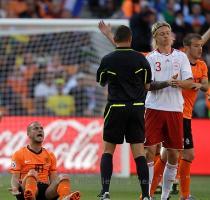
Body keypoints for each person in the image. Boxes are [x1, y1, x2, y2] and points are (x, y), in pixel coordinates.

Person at [98, 21, 193, 200]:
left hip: (174, 109)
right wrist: (109, 36)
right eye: (162, 33)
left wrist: (178, 83)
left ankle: (164, 197)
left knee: (173, 154)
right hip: (152, 108)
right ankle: (146, 195)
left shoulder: (181, 57)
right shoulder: (149, 58)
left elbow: (189, 81)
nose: (166, 36)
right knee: (147, 151)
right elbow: (126, 56)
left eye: (168, 32)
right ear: (155, 37)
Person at [150, 33, 209, 200]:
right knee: (183, 155)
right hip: (175, 113)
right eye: (196, 46)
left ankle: (148, 194)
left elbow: (204, 85)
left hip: (186, 115)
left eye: (201, 46)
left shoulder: (202, 65)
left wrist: (197, 85)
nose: (200, 48)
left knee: (167, 156)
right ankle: (183, 195)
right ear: (187, 48)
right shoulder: (178, 62)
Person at [96, 25, 152, 200]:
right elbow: (148, 85)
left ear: (116, 39)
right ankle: (146, 195)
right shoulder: (141, 60)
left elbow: (101, 81)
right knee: (139, 153)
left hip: (116, 107)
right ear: (131, 38)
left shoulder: (107, 59)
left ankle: (105, 191)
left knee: (108, 150)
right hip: (136, 107)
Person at [9, 121, 80, 200]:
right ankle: (30, 195)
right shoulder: (19, 154)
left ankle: (65, 197)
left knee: (64, 177)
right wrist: (14, 188)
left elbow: (53, 180)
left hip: (45, 191)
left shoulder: (50, 155)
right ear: (28, 134)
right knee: (32, 173)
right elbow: (15, 177)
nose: (40, 130)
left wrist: (58, 187)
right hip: (25, 189)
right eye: (36, 128)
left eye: (41, 129)